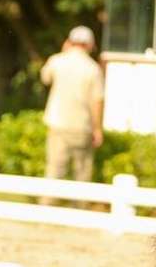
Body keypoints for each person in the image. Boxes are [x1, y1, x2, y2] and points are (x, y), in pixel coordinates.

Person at [40, 25, 104, 198]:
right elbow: (97, 100)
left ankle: (46, 210)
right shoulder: (93, 68)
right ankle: (79, 210)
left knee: (54, 170)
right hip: (82, 127)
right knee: (81, 174)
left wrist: (63, 51)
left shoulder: (57, 61)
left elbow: (45, 78)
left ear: (69, 42)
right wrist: (98, 129)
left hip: (57, 125)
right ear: (89, 45)